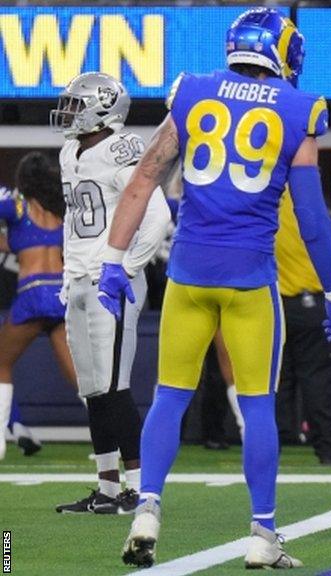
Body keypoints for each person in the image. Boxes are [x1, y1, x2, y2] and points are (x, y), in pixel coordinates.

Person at [99, 8, 331, 569]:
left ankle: (147, 509)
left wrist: (114, 261)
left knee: (169, 395)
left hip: (188, 275)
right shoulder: (297, 107)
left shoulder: (192, 92)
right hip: (250, 281)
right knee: (257, 405)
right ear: (282, 51)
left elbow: (144, 178)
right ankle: (262, 532)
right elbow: (310, 216)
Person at [50, 73, 172, 515]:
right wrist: (70, 272)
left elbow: (156, 215)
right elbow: (72, 220)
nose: (67, 112)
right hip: (79, 278)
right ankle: (105, 486)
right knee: (94, 388)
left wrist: (124, 267)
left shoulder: (123, 147)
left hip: (111, 281)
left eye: (75, 104)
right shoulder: (70, 150)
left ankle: (139, 489)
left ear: (103, 109)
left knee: (116, 386)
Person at [0, 153, 76, 461]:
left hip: (32, 295)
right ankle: (114, 443)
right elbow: (28, 243)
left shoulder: (18, 206)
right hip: (61, 294)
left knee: (1, 364)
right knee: (84, 380)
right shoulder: (63, 210)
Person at [276, 188, 331, 465]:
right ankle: (329, 450)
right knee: (318, 380)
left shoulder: (264, 195)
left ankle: (273, 449)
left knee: (276, 382)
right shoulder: (306, 197)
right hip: (312, 300)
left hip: (275, 303)